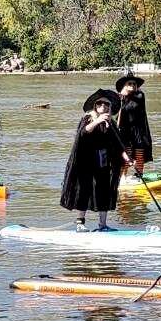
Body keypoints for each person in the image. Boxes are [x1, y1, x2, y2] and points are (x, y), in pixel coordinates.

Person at [61, 89, 134, 232]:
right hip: (86, 161)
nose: (103, 106)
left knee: (104, 191)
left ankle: (103, 225)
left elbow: (118, 145)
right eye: (99, 103)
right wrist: (97, 121)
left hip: (103, 161)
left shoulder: (111, 123)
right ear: (95, 106)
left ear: (110, 106)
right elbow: (83, 132)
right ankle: (80, 223)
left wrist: (127, 158)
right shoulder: (88, 118)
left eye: (106, 104)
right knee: (84, 190)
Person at [115, 70, 153, 178]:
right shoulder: (119, 98)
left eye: (134, 84)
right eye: (129, 84)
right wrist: (121, 97)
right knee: (126, 154)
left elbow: (132, 106)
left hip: (138, 130)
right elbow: (117, 114)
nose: (132, 85)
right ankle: (122, 177)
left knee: (139, 154)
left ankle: (139, 175)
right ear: (124, 86)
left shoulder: (140, 96)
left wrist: (125, 96)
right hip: (124, 130)